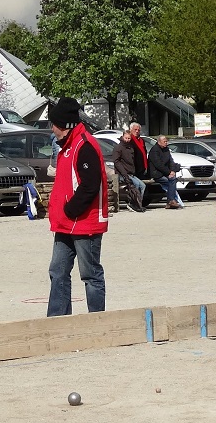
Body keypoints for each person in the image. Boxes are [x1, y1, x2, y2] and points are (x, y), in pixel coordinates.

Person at [46, 98, 108, 315]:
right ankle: (58, 319)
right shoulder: (67, 146)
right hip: (65, 223)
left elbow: (90, 185)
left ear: (64, 125)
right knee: (57, 271)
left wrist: (70, 209)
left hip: (84, 222)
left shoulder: (85, 145)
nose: (52, 129)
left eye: (54, 124)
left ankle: (96, 320)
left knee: (90, 273)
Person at [114, 128, 146, 212]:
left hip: (131, 173)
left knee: (142, 185)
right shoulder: (118, 147)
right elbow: (116, 162)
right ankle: (132, 204)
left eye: (129, 138)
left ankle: (138, 204)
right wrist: (124, 174)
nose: (127, 140)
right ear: (123, 137)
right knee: (135, 185)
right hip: (122, 173)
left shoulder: (131, 147)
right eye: (126, 138)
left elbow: (132, 161)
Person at [149, 135, 183, 209]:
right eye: (164, 141)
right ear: (159, 142)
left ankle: (170, 201)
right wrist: (168, 172)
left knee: (173, 179)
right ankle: (171, 201)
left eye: (166, 141)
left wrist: (172, 171)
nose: (166, 143)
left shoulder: (166, 149)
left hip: (165, 172)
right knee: (169, 181)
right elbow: (158, 165)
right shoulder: (154, 150)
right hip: (156, 173)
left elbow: (171, 162)